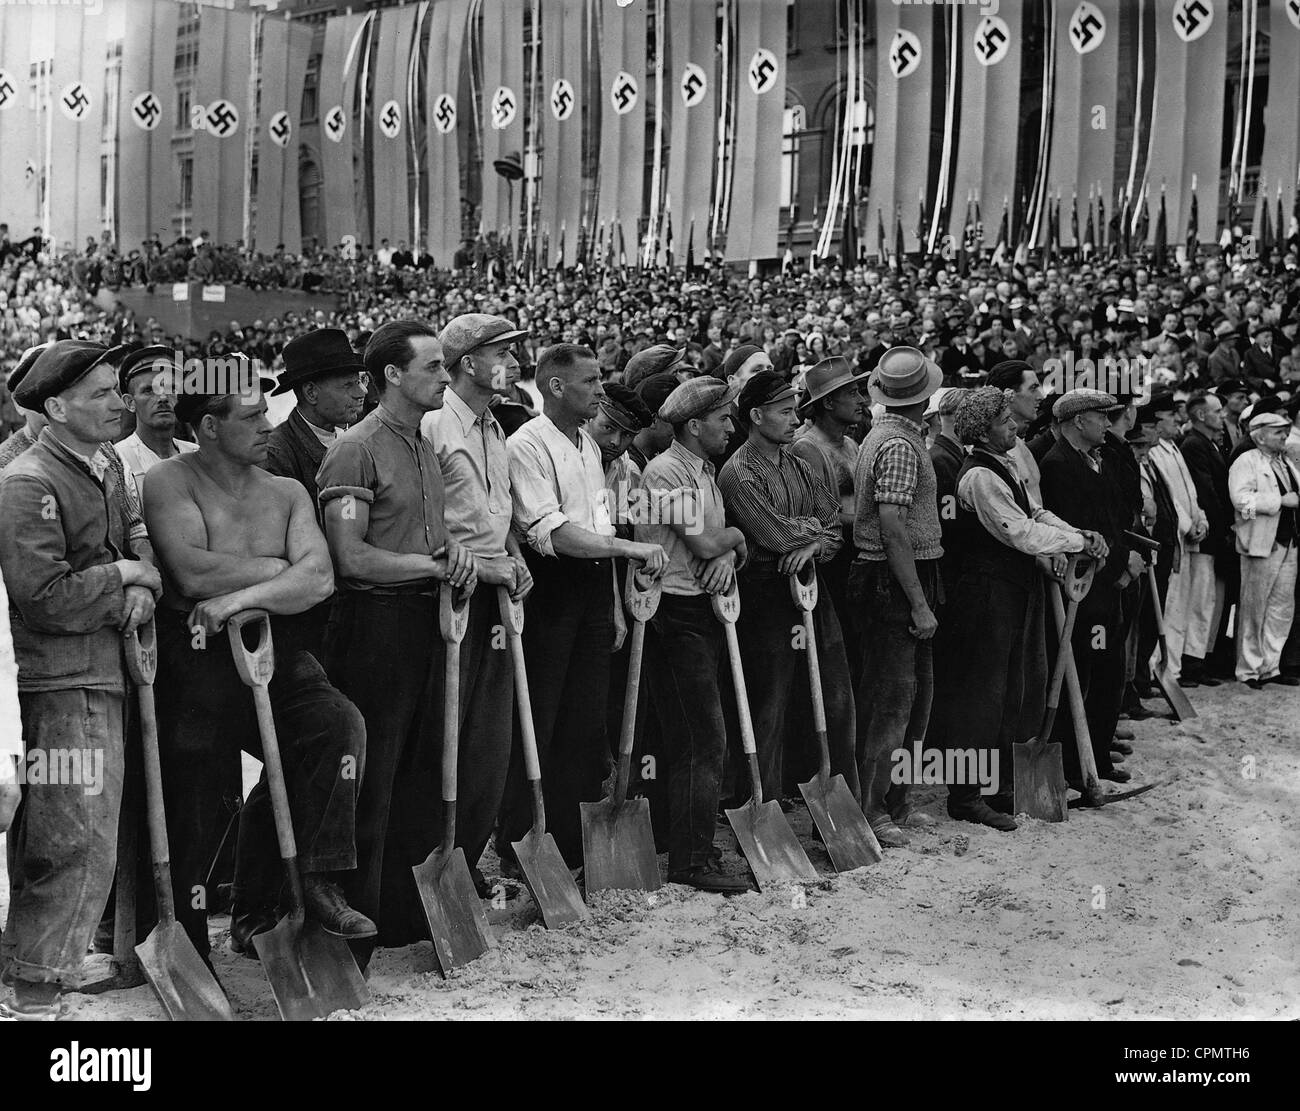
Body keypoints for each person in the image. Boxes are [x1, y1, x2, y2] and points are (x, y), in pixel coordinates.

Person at [144, 366, 372, 963]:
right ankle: (190, 942)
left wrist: (238, 596)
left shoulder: (286, 490)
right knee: (200, 795)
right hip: (196, 664)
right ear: (210, 426)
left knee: (336, 726)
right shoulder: (171, 480)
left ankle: (311, 884)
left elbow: (320, 578)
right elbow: (190, 572)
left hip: (280, 650)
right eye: (252, 416)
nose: (268, 426)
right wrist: (277, 569)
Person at [0, 341, 161, 1019]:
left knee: (78, 829)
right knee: (74, 837)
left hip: (98, 669)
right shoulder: (29, 482)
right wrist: (124, 578)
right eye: (101, 394)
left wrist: (141, 581)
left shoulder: (99, 461)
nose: (119, 403)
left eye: (115, 390)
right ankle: (36, 985)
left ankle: (42, 965)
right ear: (56, 407)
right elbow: (46, 596)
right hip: (61, 679)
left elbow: (127, 538)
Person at [316, 320, 476, 962]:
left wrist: (452, 558)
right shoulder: (356, 450)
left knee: (419, 770)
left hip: (427, 623)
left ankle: (400, 918)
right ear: (393, 375)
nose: (445, 377)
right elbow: (351, 558)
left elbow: (425, 540)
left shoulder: (423, 448)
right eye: (434, 367)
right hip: (373, 628)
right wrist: (433, 567)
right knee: (372, 779)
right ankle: (349, 933)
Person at [498, 344, 667, 870]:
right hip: (549, 589)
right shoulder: (527, 444)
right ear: (555, 387)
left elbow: (599, 527)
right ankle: (517, 845)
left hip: (594, 588)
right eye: (591, 382)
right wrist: (627, 549)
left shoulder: (589, 448)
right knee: (539, 720)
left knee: (586, 721)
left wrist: (613, 604)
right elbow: (551, 532)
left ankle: (571, 842)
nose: (600, 390)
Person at [930, 388, 1103, 829]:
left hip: (1010, 588)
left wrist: (1079, 532)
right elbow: (1020, 533)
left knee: (1009, 692)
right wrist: (1079, 542)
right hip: (983, 593)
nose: (1015, 426)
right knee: (979, 697)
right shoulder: (979, 476)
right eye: (1006, 420)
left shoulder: (1004, 464)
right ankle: (965, 796)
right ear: (982, 429)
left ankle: (998, 787)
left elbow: (1038, 514)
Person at [421, 313, 534, 895]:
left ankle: (465, 864)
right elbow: (424, 520)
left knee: (490, 743)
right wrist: (476, 564)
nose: (512, 365)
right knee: (448, 737)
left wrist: (516, 555)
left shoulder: (495, 428)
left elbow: (500, 508)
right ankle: (433, 865)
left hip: (496, 592)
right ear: (468, 362)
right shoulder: (436, 427)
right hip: (449, 593)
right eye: (502, 354)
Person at [717, 370, 859, 809]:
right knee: (770, 705)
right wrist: (815, 533)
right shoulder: (738, 473)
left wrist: (815, 540)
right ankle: (763, 802)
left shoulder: (799, 463)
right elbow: (773, 537)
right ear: (756, 415)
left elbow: (835, 530)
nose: (794, 419)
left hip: (813, 585)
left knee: (835, 695)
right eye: (784, 411)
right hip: (765, 593)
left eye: (795, 409)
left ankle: (837, 799)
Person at [636, 377, 750, 892]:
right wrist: (735, 539)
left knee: (698, 738)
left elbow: (715, 549)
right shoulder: (665, 472)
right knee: (703, 739)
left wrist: (728, 550)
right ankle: (691, 861)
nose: (731, 426)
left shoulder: (703, 470)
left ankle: (688, 847)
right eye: (723, 419)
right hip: (673, 614)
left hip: (699, 609)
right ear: (694, 424)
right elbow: (705, 542)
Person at [848, 348, 944, 847]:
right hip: (893, 577)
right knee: (891, 703)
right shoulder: (900, 446)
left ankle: (896, 802)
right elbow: (891, 525)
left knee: (914, 699)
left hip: (900, 573)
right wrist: (919, 602)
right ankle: (872, 810)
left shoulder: (889, 437)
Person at [1039, 389, 1142, 788]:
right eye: (1101, 417)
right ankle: (1079, 764)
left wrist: (1126, 558)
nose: (1107, 424)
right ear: (1079, 421)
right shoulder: (1058, 466)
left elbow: (1113, 520)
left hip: (1106, 586)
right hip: (1086, 591)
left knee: (1107, 671)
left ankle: (1096, 755)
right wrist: (1119, 563)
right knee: (1089, 672)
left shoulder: (1096, 459)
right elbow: (1079, 534)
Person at [790, 356, 868, 647]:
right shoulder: (807, 448)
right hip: (832, 566)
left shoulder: (850, 444)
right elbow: (823, 519)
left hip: (857, 559)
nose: (861, 400)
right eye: (852, 393)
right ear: (828, 403)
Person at [1227, 411, 1300, 689]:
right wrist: (1279, 501)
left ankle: (1271, 666)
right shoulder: (1246, 461)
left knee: (1281, 607)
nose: (1283, 436)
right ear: (1260, 435)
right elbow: (1241, 502)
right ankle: (1248, 669)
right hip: (1260, 543)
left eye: (1284, 431)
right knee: (1253, 608)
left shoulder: (1284, 463)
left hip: (1288, 543)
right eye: (1277, 431)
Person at [265, 328, 368, 514]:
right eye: (348, 384)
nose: (362, 392)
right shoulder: (278, 455)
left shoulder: (356, 437)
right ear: (311, 393)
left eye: (361, 381)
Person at [1145, 392, 1209, 683]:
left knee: (1183, 604)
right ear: (1157, 421)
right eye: (1171, 416)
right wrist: (1186, 524)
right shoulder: (1154, 452)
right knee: (1169, 607)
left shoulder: (1173, 448)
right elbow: (1169, 499)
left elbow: (1190, 493)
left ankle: (1176, 668)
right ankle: (1161, 670)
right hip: (1175, 537)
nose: (1177, 420)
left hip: (1188, 537)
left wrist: (1201, 519)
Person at [1177, 392, 1232, 686]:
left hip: (1215, 536)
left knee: (1209, 601)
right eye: (1217, 410)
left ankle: (1201, 661)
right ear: (1201, 415)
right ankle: (1192, 666)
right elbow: (1208, 494)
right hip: (1207, 537)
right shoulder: (1194, 446)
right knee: (1199, 600)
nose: (1221, 415)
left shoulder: (1209, 444)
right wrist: (1226, 527)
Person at [113, 346, 199, 495]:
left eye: (172, 388)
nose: (163, 398)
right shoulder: (119, 462)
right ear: (130, 403)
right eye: (149, 390)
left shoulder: (197, 455)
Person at [0, 345, 50, 474]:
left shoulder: (96, 444)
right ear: (19, 403)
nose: (53, 408)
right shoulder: (5, 463)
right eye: (41, 394)